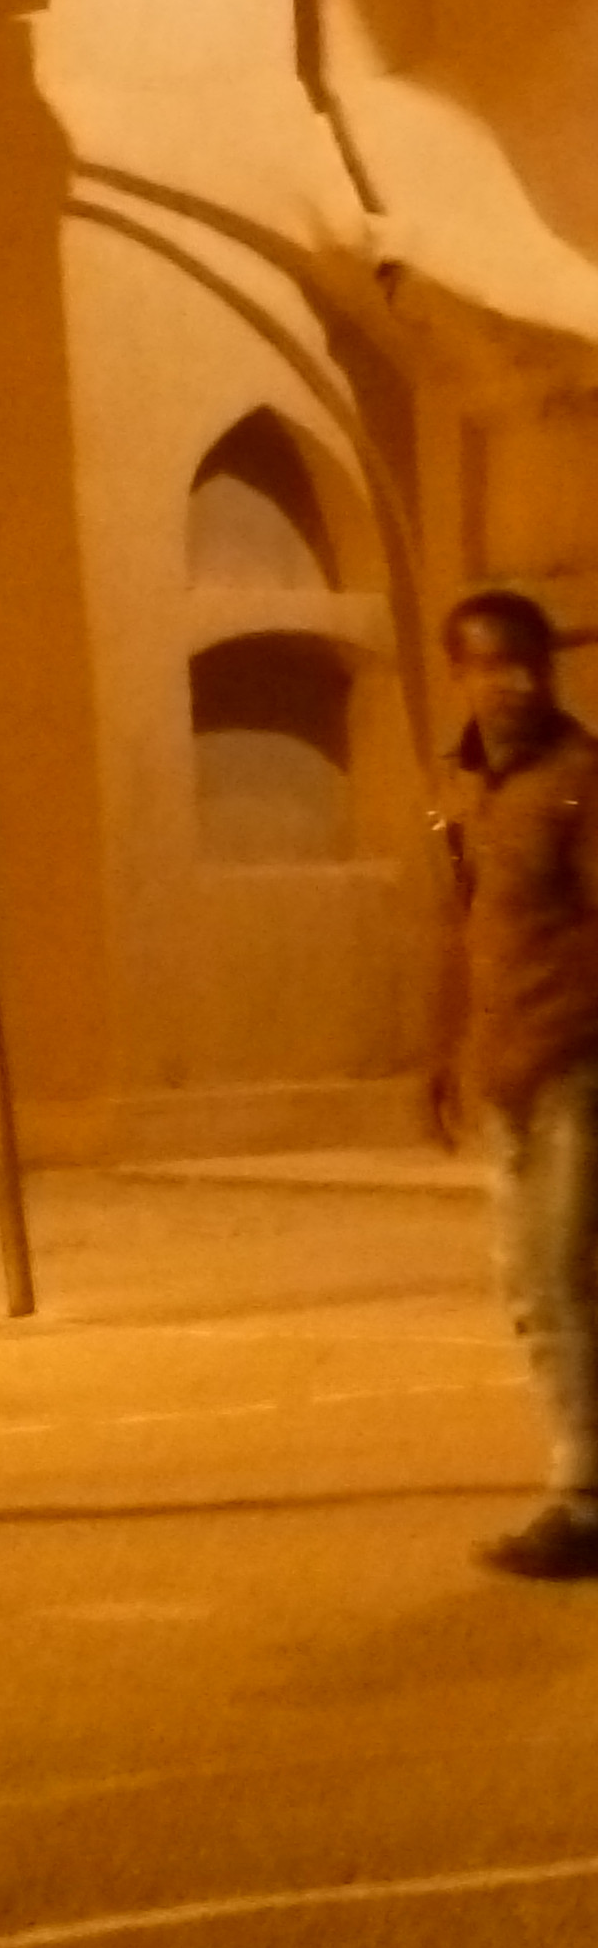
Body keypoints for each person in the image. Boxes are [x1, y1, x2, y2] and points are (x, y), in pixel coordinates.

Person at [428, 588, 598, 1583]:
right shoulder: (470, 791)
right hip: (505, 1073)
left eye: (529, 663)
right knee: (531, 1288)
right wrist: (446, 1053)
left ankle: (584, 1500)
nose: (515, 684)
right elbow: (464, 931)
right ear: (461, 674)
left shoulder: (581, 783)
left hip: (574, 1065)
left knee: (562, 1282)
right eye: (491, 665)